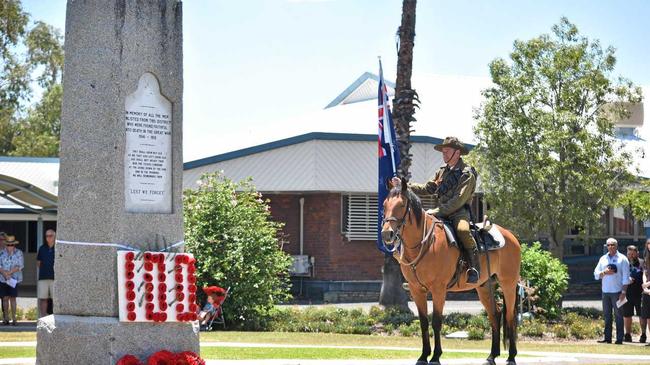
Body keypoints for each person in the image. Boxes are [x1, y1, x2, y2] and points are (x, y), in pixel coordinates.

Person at [390, 136, 480, 283]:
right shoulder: (442, 172)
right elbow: (428, 188)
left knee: (463, 230)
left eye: (447, 151)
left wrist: (437, 211)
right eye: (443, 151)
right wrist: (404, 185)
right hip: (441, 211)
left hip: (459, 212)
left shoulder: (466, 173)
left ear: (457, 153)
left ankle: (473, 268)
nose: (444, 154)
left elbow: (458, 200)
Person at [594, 238, 630, 344]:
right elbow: (596, 274)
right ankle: (607, 338)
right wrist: (604, 272)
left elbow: (626, 277)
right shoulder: (603, 259)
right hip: (605, 291)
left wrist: (623, 293)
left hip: (618, 291)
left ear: (616, 246)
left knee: (619, 316)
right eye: (608, 245)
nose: (611, 247)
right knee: (607, 315)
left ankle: (619, 339)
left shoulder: (622, 259)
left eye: (613, 245)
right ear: (606, 246)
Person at [623, 245, 646, 342]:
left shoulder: (642, 262)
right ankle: (627, 335)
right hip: (627, 293)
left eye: (633, 253)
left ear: (637, 253)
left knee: (642, 315)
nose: (631, 256)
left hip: (640, 294)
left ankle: (643, 335)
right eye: (629, 254)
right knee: (627, 315)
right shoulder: (624, 263)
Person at [0, 235, 24, 325]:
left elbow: (20, 265)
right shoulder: (1, 253)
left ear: (14, 245)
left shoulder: (19, 253)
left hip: (14, 279)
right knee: (5, 298)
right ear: (6, 245)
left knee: (13, 299)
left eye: (12, 245)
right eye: (8, 245)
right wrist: (5, 274)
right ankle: (6, 318)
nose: (10, 246)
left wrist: (9, 273)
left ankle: (14, 318)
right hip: (3, 279)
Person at [37, 229, 56, 318]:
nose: (48, 238)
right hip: (43, 277)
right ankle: (43, 318)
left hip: (55, 278)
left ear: (55, 236)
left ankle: (55, 318)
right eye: (46, 236)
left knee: (55, 299)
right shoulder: (42, 248)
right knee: (43, 298)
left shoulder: (58, 248)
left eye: (50, 236)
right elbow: (38, 263)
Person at [642, 238, 650, 347]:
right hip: (647, 291)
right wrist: (645, 286)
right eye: (649, 244)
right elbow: (644, 272)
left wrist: (648, 284)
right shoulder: (646, 258)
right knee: (648, 317)